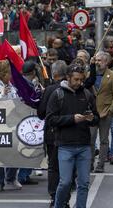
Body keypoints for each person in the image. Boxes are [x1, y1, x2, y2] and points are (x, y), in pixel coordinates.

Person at [47, 64, 99, 208]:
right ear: (68, 78)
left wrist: (91, 118)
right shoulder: (57, 94)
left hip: (84, 146)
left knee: (84, 183)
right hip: (65, 146)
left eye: (81, 80)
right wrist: (71, 119)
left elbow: (96, 117)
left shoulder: (87, 94)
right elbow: (50, 120)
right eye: (76, 79)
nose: (79, 83)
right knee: (65, 182)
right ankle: (58, 205)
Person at [37, 60, 69, 207]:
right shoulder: (72, 87)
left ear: (54, 73)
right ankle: (65, 198)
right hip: (70, 133)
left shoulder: (50, 90)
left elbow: (41, 113)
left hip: (52, 133)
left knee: (53, 166)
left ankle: (54, 196)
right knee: (67, 167)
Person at [0, 60, 21, 192]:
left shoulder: (11, 85)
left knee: (15, 150)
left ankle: (11, 177)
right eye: (9, 73)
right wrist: (2, 94)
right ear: (2, 73)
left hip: (12, 122)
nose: (11, 75)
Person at [89, 51, 113, 173]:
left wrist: (111, 111)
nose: (97, 63)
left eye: (100, 61)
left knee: (103, 140)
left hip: (105, 112)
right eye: (96, 60)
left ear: (106, 62)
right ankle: (90, 163)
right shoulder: (91, 74)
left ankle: (100, 164)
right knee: (91, 139)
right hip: (92, 112)